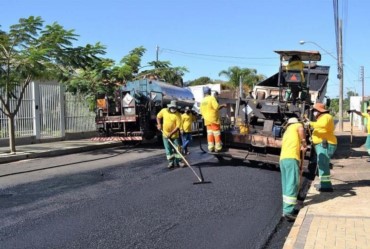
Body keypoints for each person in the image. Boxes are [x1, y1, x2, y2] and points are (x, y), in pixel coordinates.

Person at [280, 117, 307, 221]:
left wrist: (300, 145)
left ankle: (285, 209)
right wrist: (304, 142)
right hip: (291, 158)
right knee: (292, 183)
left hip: (283, 159)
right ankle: (288, 211)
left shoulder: (287, 132)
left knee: (286, 184)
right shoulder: (297, 126)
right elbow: (301, 129)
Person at [308, 103, 337, 192]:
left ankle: (326, 186)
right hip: (322, 144)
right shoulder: (321, 118)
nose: (314, 113)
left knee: (323, 164)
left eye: (315, 111)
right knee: (322, 164)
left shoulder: (327, 117)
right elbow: (320, 129)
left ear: (319, 111)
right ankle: (324, 183)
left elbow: (323, 125)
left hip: (325, 144)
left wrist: (310, 123)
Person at [156, 100, 184, 169]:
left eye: (175, 108)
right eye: (172, 107)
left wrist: (171, 134)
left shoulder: (178, 115)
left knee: (178, 148)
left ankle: (179, 161)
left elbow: (177, 127)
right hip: (165, 134)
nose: (173, 109)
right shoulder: (164, 111)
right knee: (168, 149)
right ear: (169, 107)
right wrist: (159, 124)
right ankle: (171, 162)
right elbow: (158, 117)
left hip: (175, 135)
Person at [200, 87, 223, 152]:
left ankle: (210, 147)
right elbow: (217, 107)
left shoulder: (203, 100)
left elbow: (201, 111)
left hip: (207, 121)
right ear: (209, 92)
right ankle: (218, 148)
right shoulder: (211, 98)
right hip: (214, 120)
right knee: (216, 134)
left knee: (209, 134)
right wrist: (223, 105)